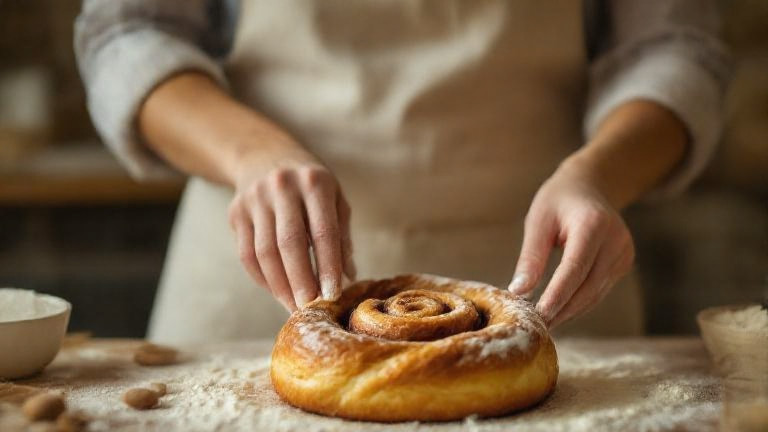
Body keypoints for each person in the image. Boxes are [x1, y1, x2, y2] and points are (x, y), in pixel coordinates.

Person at [75, 0, 728, 344]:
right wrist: (252, 154)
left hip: (549, 291)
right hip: (259, 288)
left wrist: (599, 177)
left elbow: (674, 47)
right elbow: (128, 32)